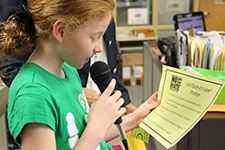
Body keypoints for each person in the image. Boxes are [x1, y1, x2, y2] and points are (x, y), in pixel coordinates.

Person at [0, 0, 160, 150]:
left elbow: (79, 137)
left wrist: (134, 119)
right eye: (94, 37)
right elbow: (92, 134)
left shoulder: (67, 70)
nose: (99, 48)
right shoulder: (32, 94)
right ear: (60, 31)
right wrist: (95, 127)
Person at [78, 18, 137, 114]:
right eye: (94, 37)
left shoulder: (109, 20)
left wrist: (126, 104)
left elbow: (112, 68)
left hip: (103, 104)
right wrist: (78, 93)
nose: (99, 48)